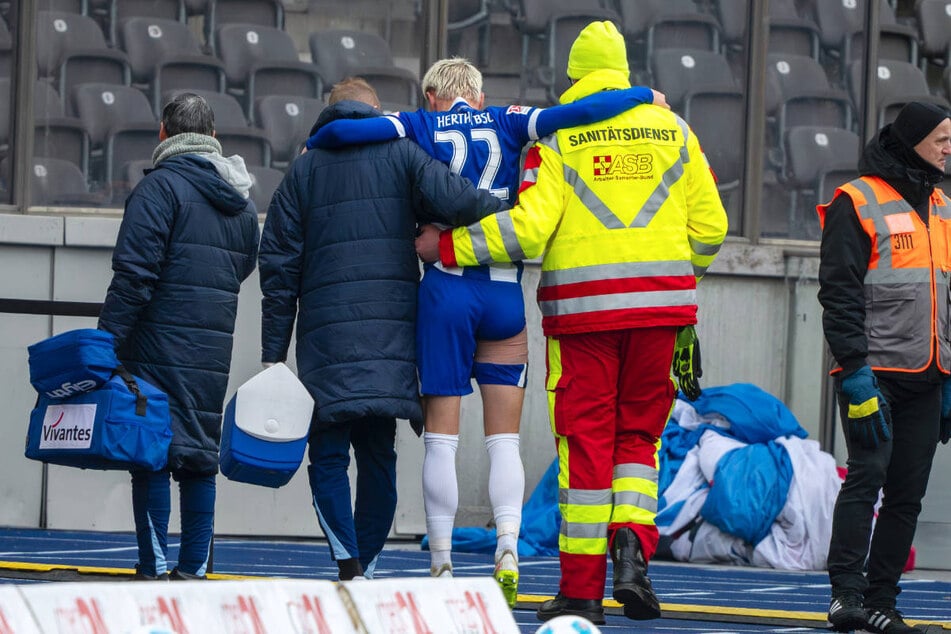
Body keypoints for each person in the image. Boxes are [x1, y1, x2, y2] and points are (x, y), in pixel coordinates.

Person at [307, 57, 664, 606]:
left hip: (445, 290)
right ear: (477, 93)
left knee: (442, 440)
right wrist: (642, 96)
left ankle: (442, 562)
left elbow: (348, 128)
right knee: (504, 441)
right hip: (503, 294)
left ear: (432, 95)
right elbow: (583, 112)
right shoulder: (508, 119)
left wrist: (319, 140)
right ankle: (508, 549)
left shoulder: (419, 124)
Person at [415, 21, 727, 624]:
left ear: (576, 77)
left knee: (585, 446)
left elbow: (526, 228)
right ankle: (633, 547)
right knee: (639, 439)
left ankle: (582, 591)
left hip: (584, 316)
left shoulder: (560, 134)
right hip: (662, 314)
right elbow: (711, 229)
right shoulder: (675, 130)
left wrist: (447, 249)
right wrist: (675, 287)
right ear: (626, 72)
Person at [258, 78, 505, 582]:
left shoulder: (303, 169)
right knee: (378, 457)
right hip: (391, 343)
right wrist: (515, 208)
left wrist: (273, 353)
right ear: (378, 113)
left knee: (327, 456)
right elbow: (458, 199)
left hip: (325, 344)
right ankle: (367, 563)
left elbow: (278, 269)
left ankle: (347, 560)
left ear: (330, 114)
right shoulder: (403, 154)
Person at [98, 92, 260, 580]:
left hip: (152, 345)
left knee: (150, 456)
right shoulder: (242, 204)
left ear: (164, 134)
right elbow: (242, 267)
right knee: (198, 458)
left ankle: (154, 567)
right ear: (212, 138)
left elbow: (133, 276)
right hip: (211, 347)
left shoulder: (158, 190)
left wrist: (106, 341)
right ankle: (192, 573)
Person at [817, 101, 951, 634]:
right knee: (867, 475)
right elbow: (840, 292)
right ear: (914, 139)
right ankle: (845, 596)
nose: (948, 148)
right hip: (873, 372)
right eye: (941, 138)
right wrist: (854, 369)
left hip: (928, 376)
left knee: (907, 494)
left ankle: (881, 601)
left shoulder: (942, 206)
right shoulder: (860, 199)